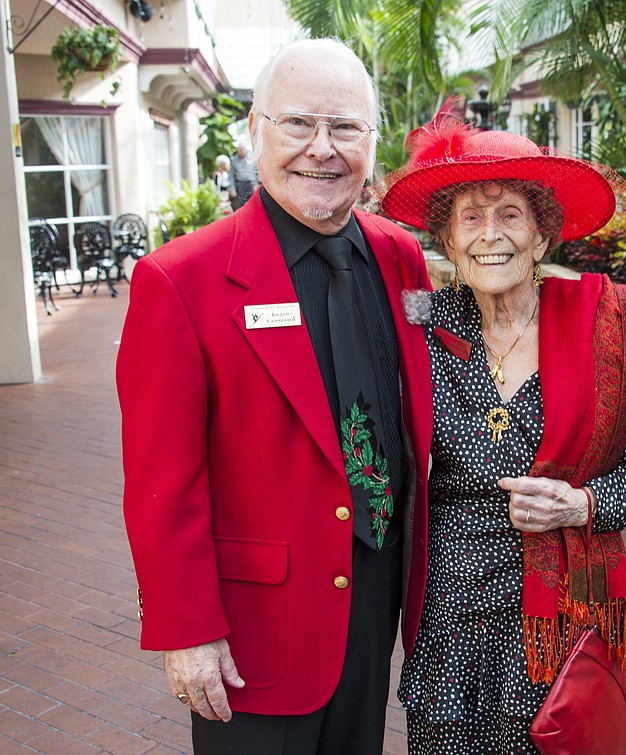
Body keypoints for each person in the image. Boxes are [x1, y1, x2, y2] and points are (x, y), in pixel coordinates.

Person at [116, 38, 434, 754]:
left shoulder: (401, 258)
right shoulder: (180, 281)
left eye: (345, 128)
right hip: (254, 633)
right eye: (299, 124)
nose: (322, 149)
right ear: (255, 131)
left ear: (372, 143)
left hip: (376, 601)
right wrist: (186, 627)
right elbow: (161, 480)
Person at [379, 102, 626, 753]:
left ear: (542, 236)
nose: (492, 234)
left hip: (565, 604)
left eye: (510, 214)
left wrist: (582, 502)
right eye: (471, 218)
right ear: (449, 242)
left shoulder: (619, 326)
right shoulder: (419, 319)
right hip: (451, 608)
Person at [228, 140, 259, 209]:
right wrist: (232, 189)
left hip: (251, 185)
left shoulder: (252, 157)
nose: (242, 152)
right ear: (237, 151)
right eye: (240, 150)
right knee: (241, 207)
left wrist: (256, 184)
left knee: (253, 206)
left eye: (243, 150)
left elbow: (257, 171)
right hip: (240, 186)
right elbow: (231, 176)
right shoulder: (234, 160)